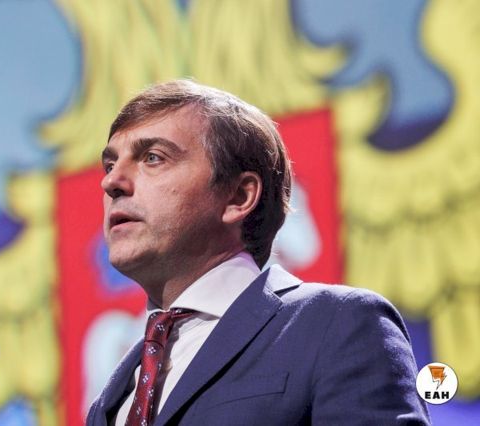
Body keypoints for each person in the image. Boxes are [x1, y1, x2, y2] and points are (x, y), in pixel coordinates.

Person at [87, 79, 430, 425]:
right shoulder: (113, 396)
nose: (111, 182)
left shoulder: (338, 325)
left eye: (153, 158)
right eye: (110, 165)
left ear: (239, 197)